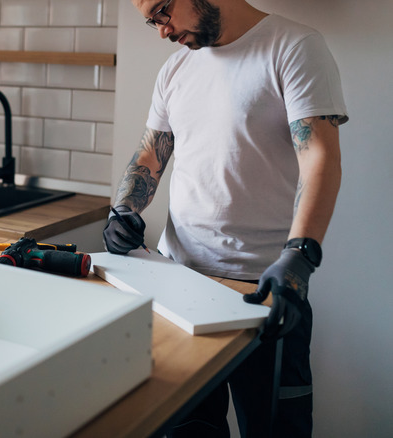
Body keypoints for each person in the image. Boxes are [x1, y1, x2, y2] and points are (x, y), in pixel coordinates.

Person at [103, 0, 348, 436]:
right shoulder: (176, 70)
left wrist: (301, 257)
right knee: (187, 429)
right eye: (151, 22)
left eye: (163, 10)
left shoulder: (293, 46)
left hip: (265, 293)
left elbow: (319, 156)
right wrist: (124, 208)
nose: (162, 30)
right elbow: (151, 153)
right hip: (176, 283)